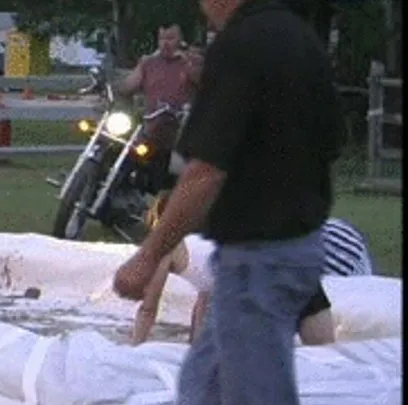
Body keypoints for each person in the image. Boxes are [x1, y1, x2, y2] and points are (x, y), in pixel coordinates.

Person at [112, 0, 343, 404]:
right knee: (203, 388)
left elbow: (205, 172)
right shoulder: (302, 37)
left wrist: (148, 256)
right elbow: (334, 141)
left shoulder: (240, 46)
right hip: (298, 246)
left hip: (260, 257)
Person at [132, 192, 374, 346]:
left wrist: (133, 349)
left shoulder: (167, 248)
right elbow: (203, 299)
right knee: (325, 357)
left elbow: (148, 309)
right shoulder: (203, 244)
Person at [118, 23, 202, 192]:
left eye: (170, 38)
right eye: (162, 38)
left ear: (180, 40)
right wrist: (116, 87)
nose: (165, 43)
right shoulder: (148, 63)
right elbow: (128, 86)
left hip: (179, 133)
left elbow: (204, 83)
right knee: (123, 151)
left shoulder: (191, 62)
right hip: (151, 129)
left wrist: (188, 63)